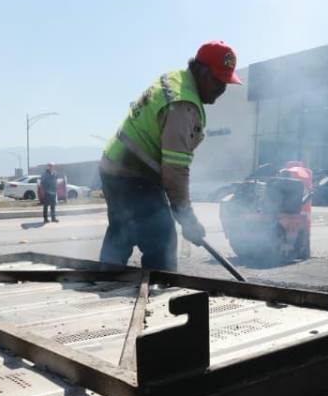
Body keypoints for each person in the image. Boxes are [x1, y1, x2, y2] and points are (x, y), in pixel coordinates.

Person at [98, 41, 241, 270]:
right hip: (133, 171)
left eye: (226, 83)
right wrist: (187, 217)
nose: (222, 89)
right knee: (161, 239)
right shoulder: (183, 106)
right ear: (202, 72)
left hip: (113, 165)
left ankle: (105, 275)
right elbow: (175, 171)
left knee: (123, 227)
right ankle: (160, 292)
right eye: (217, 81)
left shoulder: (176, 80)